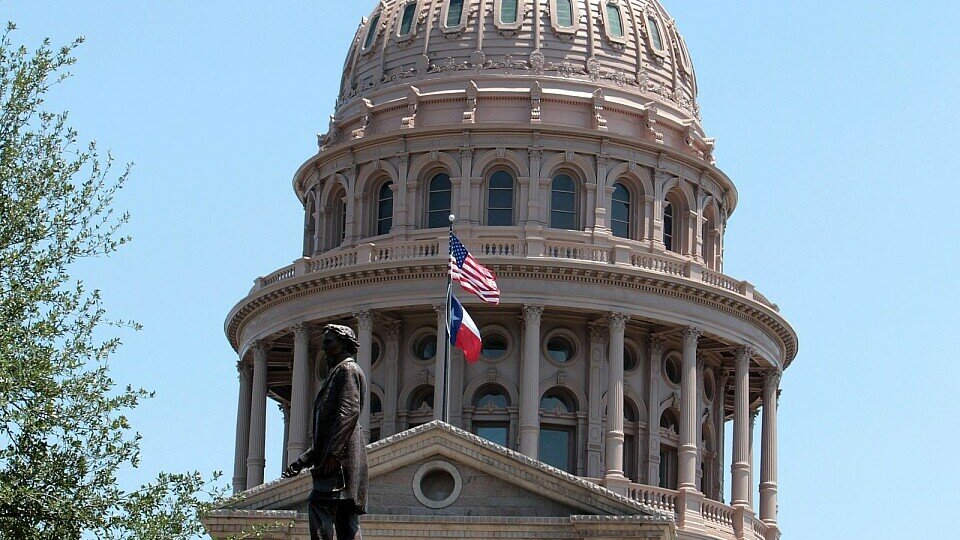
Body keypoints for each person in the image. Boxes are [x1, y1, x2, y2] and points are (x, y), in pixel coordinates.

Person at [283, 324, 367, 540]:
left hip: (339, 462)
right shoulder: (340, 372)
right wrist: (302, 461)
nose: (324, 348)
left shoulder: (346, 370)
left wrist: (333, 453)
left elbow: (348, 413)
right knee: (346, 520)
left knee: (319, 503)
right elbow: (328, 431)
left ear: (344, 343)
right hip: (343, 459)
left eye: (329, 342)